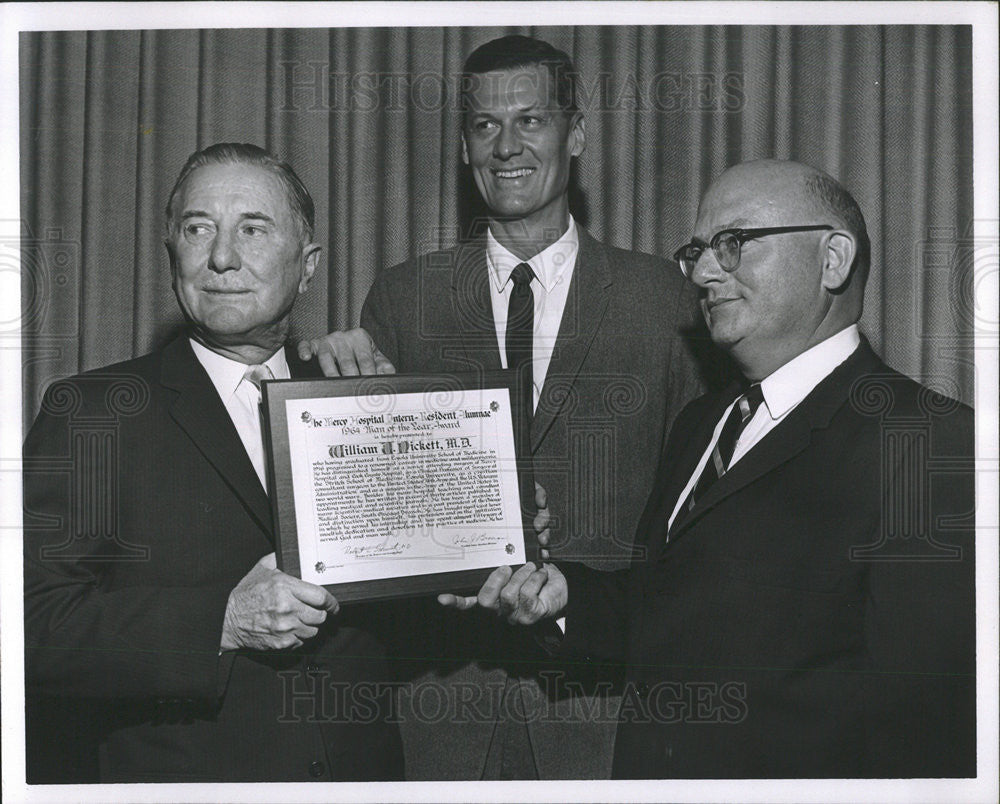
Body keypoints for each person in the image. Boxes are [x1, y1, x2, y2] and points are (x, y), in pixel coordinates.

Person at [455, 159, 976, 778]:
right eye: (698, 250)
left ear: (832, 259)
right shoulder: (703, 423)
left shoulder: (930, 442)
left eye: (734, 245)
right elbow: (671, 612)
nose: (702, 273)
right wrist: (563, 597)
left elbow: (924, 724)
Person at [300, 35, 709, 779]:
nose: (506, 146)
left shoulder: (665, 301)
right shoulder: (404, 297)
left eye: (531, 120)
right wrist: (331, 401)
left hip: (606, 712)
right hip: (440, 710)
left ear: (575, 133)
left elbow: (697, 515)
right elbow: (366, 516)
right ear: (463, 145)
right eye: (485, 126)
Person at [23, 143, 403, 783]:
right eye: (198, 229)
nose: (222, 257)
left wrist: (493, 534)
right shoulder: (93, 412)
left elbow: (411, 591)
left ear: (307, 268)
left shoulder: (359, 397)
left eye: (253, 229)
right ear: (172, 257)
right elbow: (29, 628)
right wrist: (221, 622)